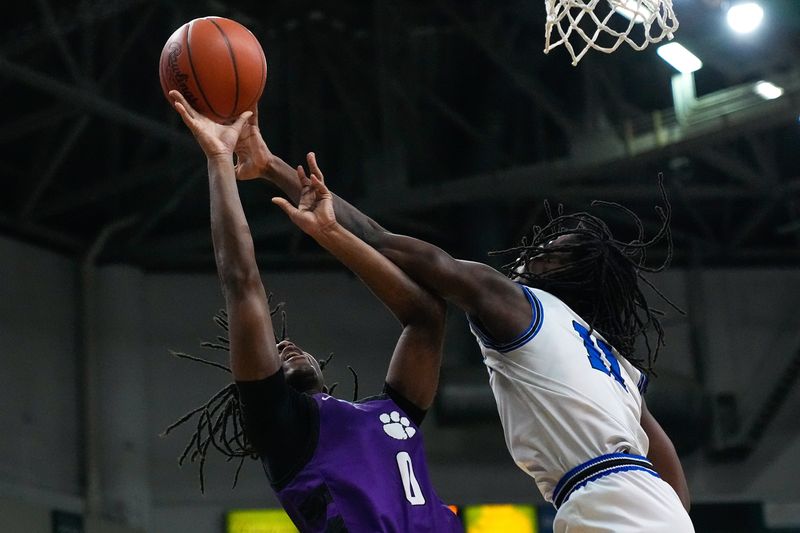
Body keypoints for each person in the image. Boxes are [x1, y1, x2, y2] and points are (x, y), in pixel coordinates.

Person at [233, 111, 695, 532]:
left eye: (547, 253)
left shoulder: (519, 303)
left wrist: (281, 175)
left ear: (566, 277)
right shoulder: (613, 362)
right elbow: (672, 474)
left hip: (605, 505)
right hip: (655, 507)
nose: (532, 252)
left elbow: (391, 245)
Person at [165, 90, 463, 533]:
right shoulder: (284, 431)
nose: (285, 346)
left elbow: (426, 317)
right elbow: (243, 283)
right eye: (276, 354)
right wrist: (218, 160)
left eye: (286, 346)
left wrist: (329, 232)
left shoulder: (388, 412)